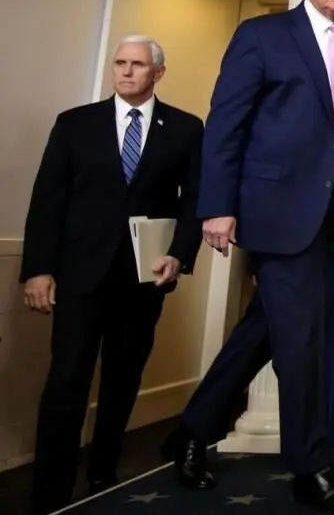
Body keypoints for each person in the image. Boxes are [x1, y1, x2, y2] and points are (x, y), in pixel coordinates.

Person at [161, 0, 334, 513]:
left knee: (267, 329)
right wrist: (216, 205)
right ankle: (311, 470)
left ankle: (191, 430)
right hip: (277, 210)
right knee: (302, 339)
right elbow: (226, 124)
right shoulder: (263, 36)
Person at [21, 35, 204, 514]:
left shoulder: (185, 128)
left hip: (143, 279)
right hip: (79, 276)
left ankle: (103, 473)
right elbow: (47, 200)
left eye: (137, 64)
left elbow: (194, 201)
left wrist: (180, 255)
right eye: (120, 62)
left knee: (123, 380)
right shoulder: (75, 124)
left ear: (158, 73)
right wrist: (38, 269)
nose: (125, 71)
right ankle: (50, 491)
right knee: (67, 381)